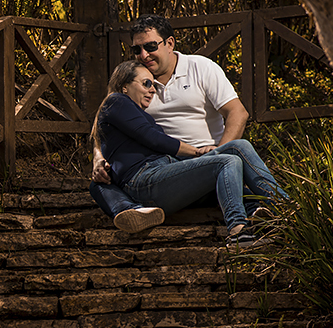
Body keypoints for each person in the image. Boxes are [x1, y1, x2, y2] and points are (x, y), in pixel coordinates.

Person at [90, 14, 287, 230]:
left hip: (203, 159)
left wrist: (217, 153)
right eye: (137, 49)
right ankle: (272, 211)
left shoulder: (200, 67)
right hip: (168, 167)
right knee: (231, 159)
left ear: (170, 43)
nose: (143, 55)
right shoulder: (136, 84)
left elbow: (238, 113)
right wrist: (98, 158)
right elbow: (106, 128)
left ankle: (277, 208)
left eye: (150, 46)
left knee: (236, 151)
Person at [94, 60, 264, 245]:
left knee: (239, 146)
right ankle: (238, 232)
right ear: (124, 86)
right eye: (146, 83)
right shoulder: (116, 101)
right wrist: (197, 152)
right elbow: (153, 138)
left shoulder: (133, 114)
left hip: (165, 172)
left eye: (154, 85)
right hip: (145, 179)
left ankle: (279, 205)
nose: (153, 90)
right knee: (227, 161)